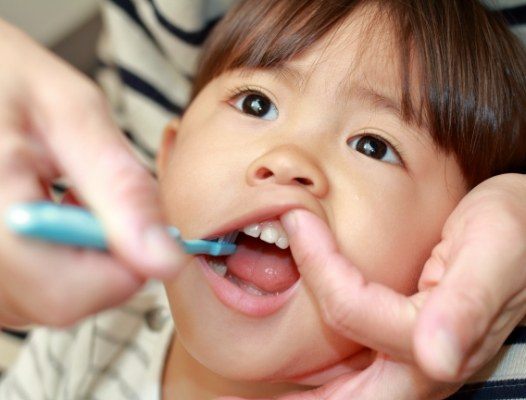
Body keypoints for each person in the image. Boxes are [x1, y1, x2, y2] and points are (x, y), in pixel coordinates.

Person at [1, 0, 525, 399]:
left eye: (374, 146)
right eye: (257, 104)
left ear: (445, 253)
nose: (292, 158)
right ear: (166, 158)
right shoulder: (95, 325)